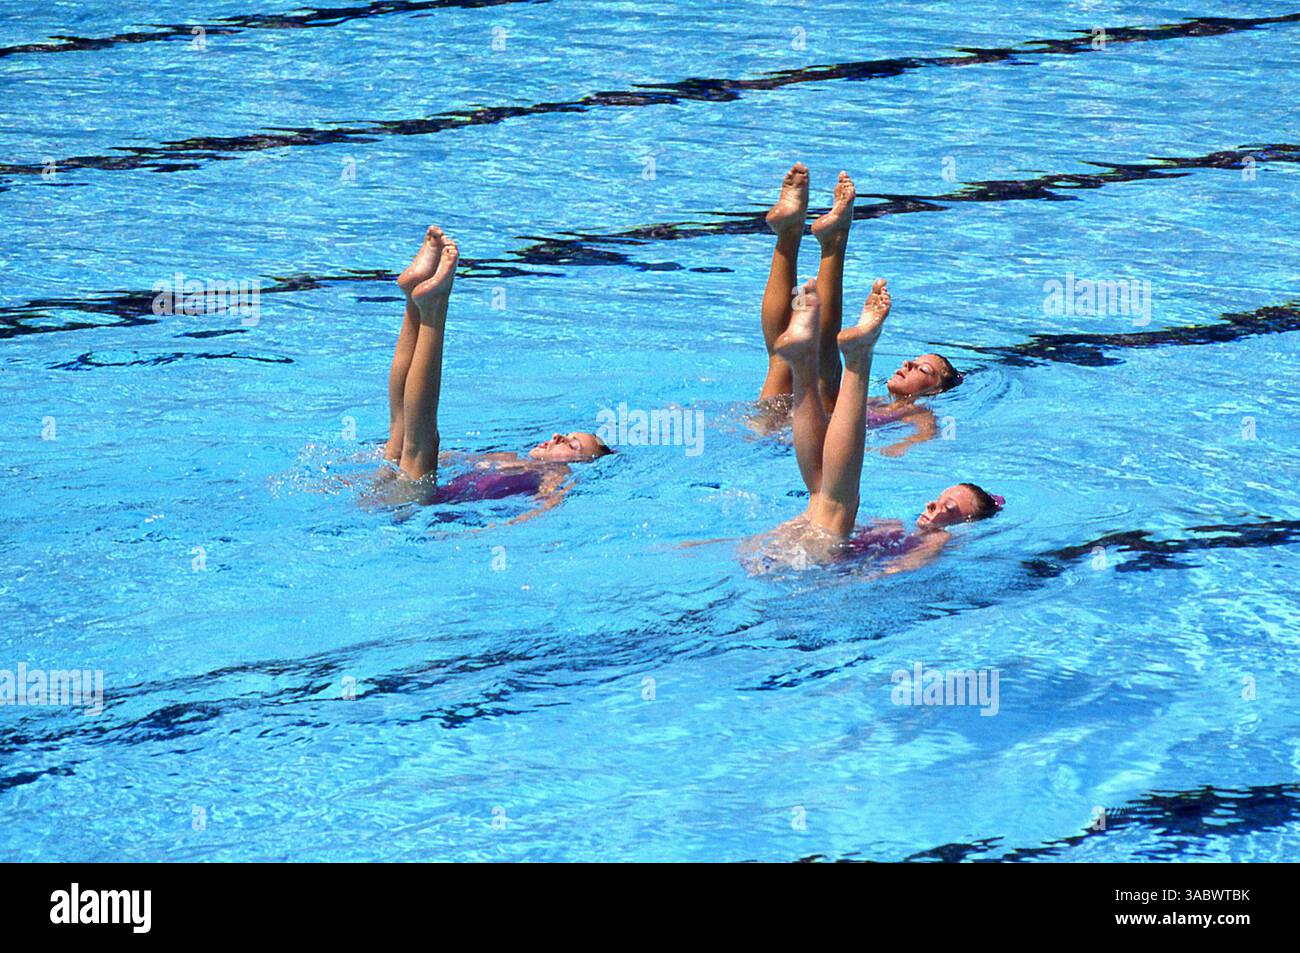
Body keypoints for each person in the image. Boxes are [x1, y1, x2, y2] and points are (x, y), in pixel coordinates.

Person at [744, 275, 1000, 573]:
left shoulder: (937, 541)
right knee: (822, 493)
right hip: (786, 553)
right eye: (940, 500)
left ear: (965, 525)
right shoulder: (890, 528)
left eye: (949, 509)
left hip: (803, 560)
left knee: (833, 499)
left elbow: (885, 576)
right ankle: (818, 359)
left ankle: (837, 357)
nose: (933, 505)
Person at [380, 225, 611, 520]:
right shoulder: (510, 459)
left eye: (572, 444)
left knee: (407, 438)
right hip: (413, 500)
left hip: (415, 500)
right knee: (410, 445)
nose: (557, 437)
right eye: (567, 435)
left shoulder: (560, 475)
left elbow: (538, 514)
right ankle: (429, 306)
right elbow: (454, 460)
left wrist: (484, 534)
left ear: (580, 462)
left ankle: (414, 302)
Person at [752, 163, 960, 456]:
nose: (908, 364)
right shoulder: (872, 401)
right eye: (913, 361)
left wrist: (872, 455)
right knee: (787, 354)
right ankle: (797, 233)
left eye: (924, 369)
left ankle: (804, 236)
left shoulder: (919, 413)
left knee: (807, 361)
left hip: (781, 436)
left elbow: (911, 447)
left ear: (935, 390)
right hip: (781, 431)